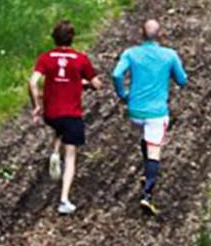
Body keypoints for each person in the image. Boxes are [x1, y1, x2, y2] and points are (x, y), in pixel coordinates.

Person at [112, 18, 188, 215]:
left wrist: (123, 94)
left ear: (141, 34)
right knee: (155, 149)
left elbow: (117, 74)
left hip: (135, 111)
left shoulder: (130, 53)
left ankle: (146, 172)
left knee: (146, 137)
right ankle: (147, 194)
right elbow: (182, 80)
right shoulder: (169, 55)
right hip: (156, 112)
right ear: (160, 35)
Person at [29, 19, 102, 215]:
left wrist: (36, 105)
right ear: (72, 38)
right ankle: (64, 199)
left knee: (58, 126)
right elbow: (97, 84)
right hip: (71, 114)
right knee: (71, 157)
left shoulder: (45, 57)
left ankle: (54, 152)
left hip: (51, 113)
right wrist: (84, 82)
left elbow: (33, 82)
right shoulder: (80, 59)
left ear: (54, 37)